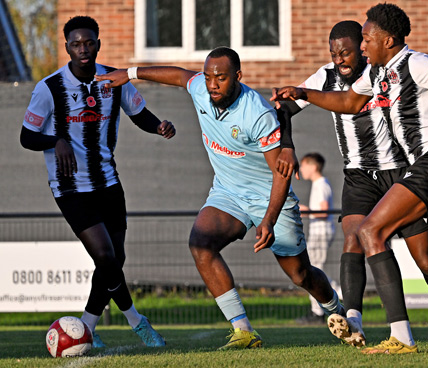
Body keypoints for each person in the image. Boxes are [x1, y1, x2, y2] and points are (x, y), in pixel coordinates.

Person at [272, 3, 428, 355]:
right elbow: (350, 104)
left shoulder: (413, 63)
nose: (361, 46)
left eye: (367, 39)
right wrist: (302, 93)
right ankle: (386, 322)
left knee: (371, 231)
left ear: (387, 40)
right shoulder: (376, 74)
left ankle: (402, 338)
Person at [95, 46, 345, 350]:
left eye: (221, 78)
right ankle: (243, 330)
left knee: (300, 274)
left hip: (268, 198)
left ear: (237, 77)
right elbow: (177, 75)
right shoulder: (201, 87)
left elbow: (280, 174)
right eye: (209, 77)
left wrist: (268, 219)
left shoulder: (257, 112)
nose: (213, 84)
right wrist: (130, 73)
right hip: (227, 192)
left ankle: (335, 309)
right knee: (201, 245)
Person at [20, 16, 174, 348]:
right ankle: (137, 321)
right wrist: (55, 140)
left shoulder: (114, 80)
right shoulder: (49, 88)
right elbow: (26, 137)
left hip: (108, 181)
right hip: (70, 187)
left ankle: (87, 326)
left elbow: (139, 114)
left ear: (98, 44)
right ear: (67, 48)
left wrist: (159, 125)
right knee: (104, 256)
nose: (83, 49)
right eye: (76, 44)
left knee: (114, 260)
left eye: (89, 42)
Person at [297, 152, 341, 323]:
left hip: (321, 232)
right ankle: (320, 308)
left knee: (312, 270)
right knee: (312, 269)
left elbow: (322, 212)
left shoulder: (321, 184)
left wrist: (304, 210)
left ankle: (321, 309)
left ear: (313, 166)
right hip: (319, 232)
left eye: (303, 165)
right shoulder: (319, 184)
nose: (301, 169)